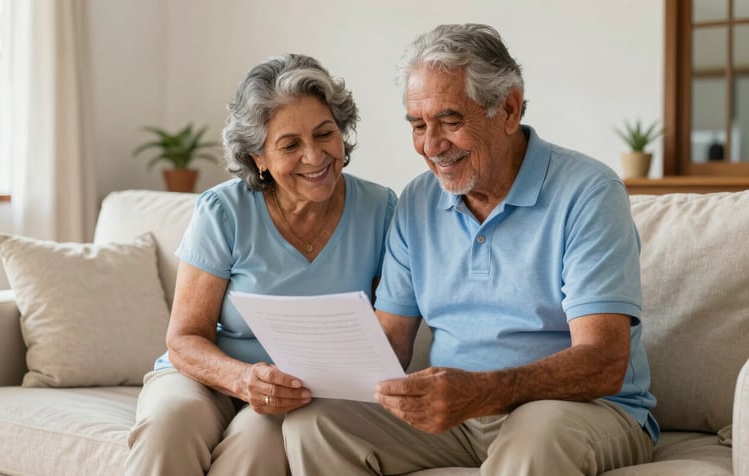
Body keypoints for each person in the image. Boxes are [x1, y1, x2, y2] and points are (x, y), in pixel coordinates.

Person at [282, 23, 659, 476]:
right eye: (418, 125)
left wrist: (482, 391)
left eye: (451, 120)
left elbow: (603, 361)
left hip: (579, 410)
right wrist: (308, 368)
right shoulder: (417, 202)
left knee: (537, 433)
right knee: (314, 423)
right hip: (457, 421)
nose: (432, 145)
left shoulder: (589, 193)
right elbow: (389, 344)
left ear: (509, 108)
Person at [125, 53, 397, 476]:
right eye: (290, 145)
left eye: (326, 134)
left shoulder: (380, 208)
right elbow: (184, 339)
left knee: (259, 447)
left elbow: (388, 333)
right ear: (258, 158)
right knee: (170, 423)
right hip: (207, 375)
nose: (315, 156)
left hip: (301, 393)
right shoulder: (223, 210)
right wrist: (243, 380)